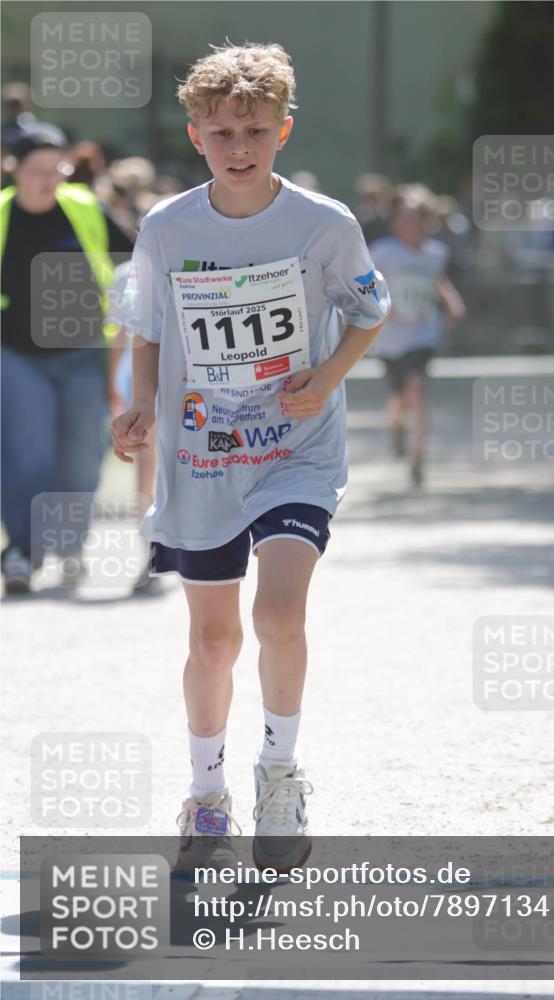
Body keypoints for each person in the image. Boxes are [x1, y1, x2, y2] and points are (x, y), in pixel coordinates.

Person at [110, 41, 389, 872]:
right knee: (216, 642)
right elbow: (149, 327)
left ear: (284, 132)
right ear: (197, 135)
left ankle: (279, 775)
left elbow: (370, 311)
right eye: (225, 131)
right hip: (203, 457)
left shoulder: (324, 223)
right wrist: (138, 407)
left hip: (296, 448)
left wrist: (327, 375)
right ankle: (206, 796)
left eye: (256, 131)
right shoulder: (167, 228)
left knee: (277, 616)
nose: (240, 148)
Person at [0, 125, 134, 594]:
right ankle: (21, 550)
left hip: (83, 352)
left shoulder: (83, 207)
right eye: (36, 171)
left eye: (55, 168)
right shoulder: (1, 215)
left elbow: (132, 261)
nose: (48, 179)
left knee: (81, 455)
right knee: (25, 452)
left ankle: (69, 544)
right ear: (12, 169)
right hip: (16, 354)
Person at [368, 192, 465, 487]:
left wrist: (452, 303)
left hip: (422, 332)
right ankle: (396, 428)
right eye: (403, 218)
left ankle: (418, 457)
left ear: (427, 221)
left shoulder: (436, 253)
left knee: (417, 389)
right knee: (398, 396)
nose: (409, 224)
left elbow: (436, 281)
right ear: (395, 222)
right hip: (391, 337)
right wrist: (384, 308)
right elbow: (367, 282)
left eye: (415, 218)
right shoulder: (384, 252)